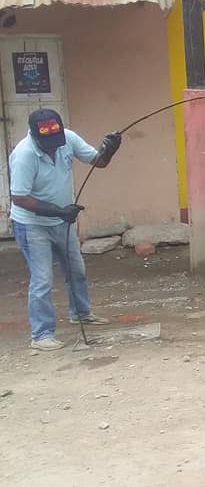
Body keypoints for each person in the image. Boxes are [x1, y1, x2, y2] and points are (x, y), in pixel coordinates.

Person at [8, 109, 122, 351]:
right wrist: (58, 211)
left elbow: (98, 162)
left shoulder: (67, 138)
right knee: (42, 280)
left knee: (76, 270)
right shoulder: (24, 155)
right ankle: (41, 335)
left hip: (62, 221)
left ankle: (81, 313)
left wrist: (110, 150)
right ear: (34, 135)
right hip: (32, 225)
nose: (53, 147)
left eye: (55, 141)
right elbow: (19, 198)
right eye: (47, 143)